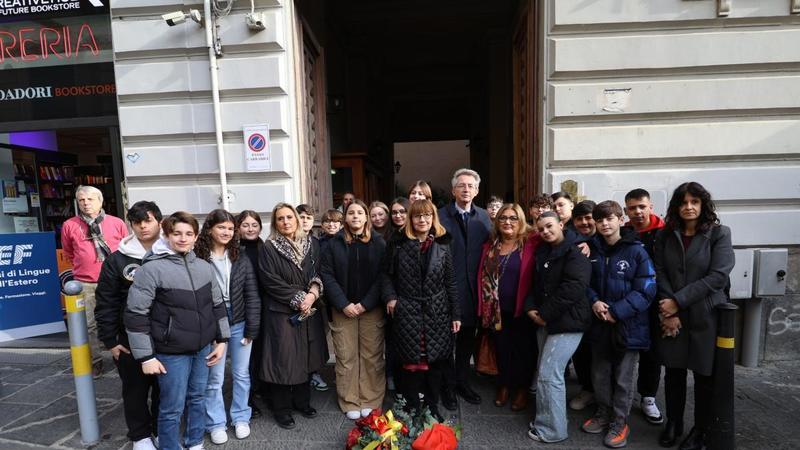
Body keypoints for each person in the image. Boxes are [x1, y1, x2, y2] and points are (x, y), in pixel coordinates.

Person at [125, 211, 230, 450]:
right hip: (171, 352)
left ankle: (194, 443)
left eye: (189, 234)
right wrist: (146, 357)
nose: (183, 238)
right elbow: (135, 314)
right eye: (177, 233)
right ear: (167, 235)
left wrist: (222, 340)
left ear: (195, 237)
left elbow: (217, 305)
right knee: (172, 407)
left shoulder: (204, 266)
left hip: (202, 348)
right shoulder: (152, 269)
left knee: (197, 399)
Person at [654, 182, 734, 450]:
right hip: (671, 313)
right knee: (673, 372)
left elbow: (718, 276)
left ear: (703, 205)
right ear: (677, 206)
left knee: (704, 376)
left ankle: (700, 430)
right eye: (683, 202)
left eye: (694, 202)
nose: (689, 207)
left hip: (705, 313)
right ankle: (674, 423)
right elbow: (660, 271)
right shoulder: (666, 235)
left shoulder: (719, 234)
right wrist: (668, 308)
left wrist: (678, 301)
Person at [581, 201, 656, 448]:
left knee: (624, 378)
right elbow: (586, 284)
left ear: (620, 220)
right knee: (600, 373)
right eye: (600, 220)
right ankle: (603, 412)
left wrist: (617, 311)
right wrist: (594, 302)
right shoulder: (592, 250)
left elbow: (646, 289)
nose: (604, 224)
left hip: (628, 325)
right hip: (600, 323)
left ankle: (620, 421)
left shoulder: (637, 251)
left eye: (609, 219)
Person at [383, 199, 461, 422]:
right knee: (410, 363)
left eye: (427, 215)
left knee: (434, 363)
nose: (422, 220)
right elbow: (386, 275)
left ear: (433, 218)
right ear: (411, 218)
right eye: (417, 216)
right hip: (407, 310)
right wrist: (391, 298)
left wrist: (456, 314)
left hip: (437, 311)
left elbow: (451, 282)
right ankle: (412, 407)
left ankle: (431, 406)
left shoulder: (443, 244)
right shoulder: (397, 243)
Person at [96, 201, 163, 450]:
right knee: (134, 389)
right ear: (131, 225)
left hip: (166, 336)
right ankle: (140, 435)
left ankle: (159, 429)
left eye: (148, 220)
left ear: (159, 221)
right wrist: (111, 341)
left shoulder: (171, 252)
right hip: (129, 338)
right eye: (137, 222)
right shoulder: (117, 260)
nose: (143, 226)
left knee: (164, 389)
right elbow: (106, 302)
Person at [257, 203, 326, 430]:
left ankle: (302, 402)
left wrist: (313, 293)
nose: (286, 222)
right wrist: (299, 298)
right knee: (283, 360)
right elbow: (270, 281)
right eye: (280, 218)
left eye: (289, 217)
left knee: (306, 357)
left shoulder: (311, 244)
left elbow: (318, 273)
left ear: (296, 219)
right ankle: (282, 409)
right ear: (275, 223)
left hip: (309, 309)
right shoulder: (269, 247)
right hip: (282, 311)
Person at [524, 211, 591, 444]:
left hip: (567, 322)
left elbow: (573, 288)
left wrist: (543, 314)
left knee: (550, 374)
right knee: (547, 372)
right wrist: (531, 307)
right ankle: (546, 421)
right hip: (546, 320)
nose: (545, 231)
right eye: (540, 229)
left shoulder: (576, 252)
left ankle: (552, 430)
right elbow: (535, 284)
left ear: (562, 224)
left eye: (550, 226)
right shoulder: (544, 251)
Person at [196, 210, 261, 444]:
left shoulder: (239, 256)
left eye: (230, 228)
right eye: (221, 227)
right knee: (214, 377)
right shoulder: (198, 256)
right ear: (210, 229)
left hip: (240, 319)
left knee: (242, 374)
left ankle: (241, 417)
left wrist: (252, 328)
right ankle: (215, 422)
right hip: (212, 321)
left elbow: (252, 294)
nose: (226, 232)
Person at [321, 200, 387, 420]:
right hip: (343, 309)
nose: (356, 216)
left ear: (367, 217)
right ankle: (350, 400)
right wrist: (343, 303)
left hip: (371, 308)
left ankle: (370, 399)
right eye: (351, 213)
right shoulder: (333, 244)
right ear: (345, 218)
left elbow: (382, 276)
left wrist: (365, 303)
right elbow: (327, 276)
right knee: (346, 356)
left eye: (360, 212)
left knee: (371, 356)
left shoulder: (379, 243)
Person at [476, 203, 540, 412]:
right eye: (503, 218)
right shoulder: (489, 245)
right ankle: (504, 385)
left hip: (523, 309)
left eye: (513, 218)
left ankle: (521, 389)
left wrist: (585, 244)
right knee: (502, 349)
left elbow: (559, 236)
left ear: (521, 221)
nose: (507, 222)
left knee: (524, 351)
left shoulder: (532, 242)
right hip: (496, 310)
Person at [438, 168, 492, 408]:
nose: (466, 189)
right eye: (461, 185)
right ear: (453, 190)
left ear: (477, 190)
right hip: (445, 291)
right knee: (446, 342)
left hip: (473, 293)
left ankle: (462, 381)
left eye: (471, 185)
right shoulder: (439, 216)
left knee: (467, 342)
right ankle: (447, 386)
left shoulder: (485, 218)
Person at [62, 185, 128, 377]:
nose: (86, 203)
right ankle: (96, 361)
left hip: (115, 281)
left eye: (90, 199)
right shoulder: (70, 225)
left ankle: (121, 357)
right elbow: (68, 251)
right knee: (89, 324)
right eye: (81, 200)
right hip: (85, 282)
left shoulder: (117, 223)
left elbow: (125, 249)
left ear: (100, 201)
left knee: (119, 320)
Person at [624, 188, 666, 425]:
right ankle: (621, 397)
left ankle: (648, 397)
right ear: (626, 210)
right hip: (628, 301)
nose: (638, 212)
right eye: (632, 208)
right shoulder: (624, 232)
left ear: (650, 206)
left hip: (655, 302)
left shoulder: (665, 233)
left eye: (642, 206)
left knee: (653, 352)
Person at [236, 210, 266, 417]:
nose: (250, 229)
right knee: (246, 357)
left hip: (266, 307)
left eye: (254, 225)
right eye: (245, 225)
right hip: (244, 308)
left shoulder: (266, 248)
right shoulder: (234, 250)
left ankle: (262, 388)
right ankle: (248, 398)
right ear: (238, 227)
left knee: (263, 351)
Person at [568, 199, 597, 412]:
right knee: (582, 353)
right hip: (581, 308)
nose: (585, 223)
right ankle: (587, 389)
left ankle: (605, 395)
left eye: (589, 218)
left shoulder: (611, 240)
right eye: (579, 219)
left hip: (607, 308)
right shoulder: (572, 243)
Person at [297, 204, 330, 392]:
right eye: (301, 217)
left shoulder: (316, 242)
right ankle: (300, 373)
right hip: (294, 297)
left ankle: (314, 372)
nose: (305, 221)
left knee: (315, 337)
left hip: (315, 295)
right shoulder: (285, 240)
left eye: (308, 218)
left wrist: (314, 292)